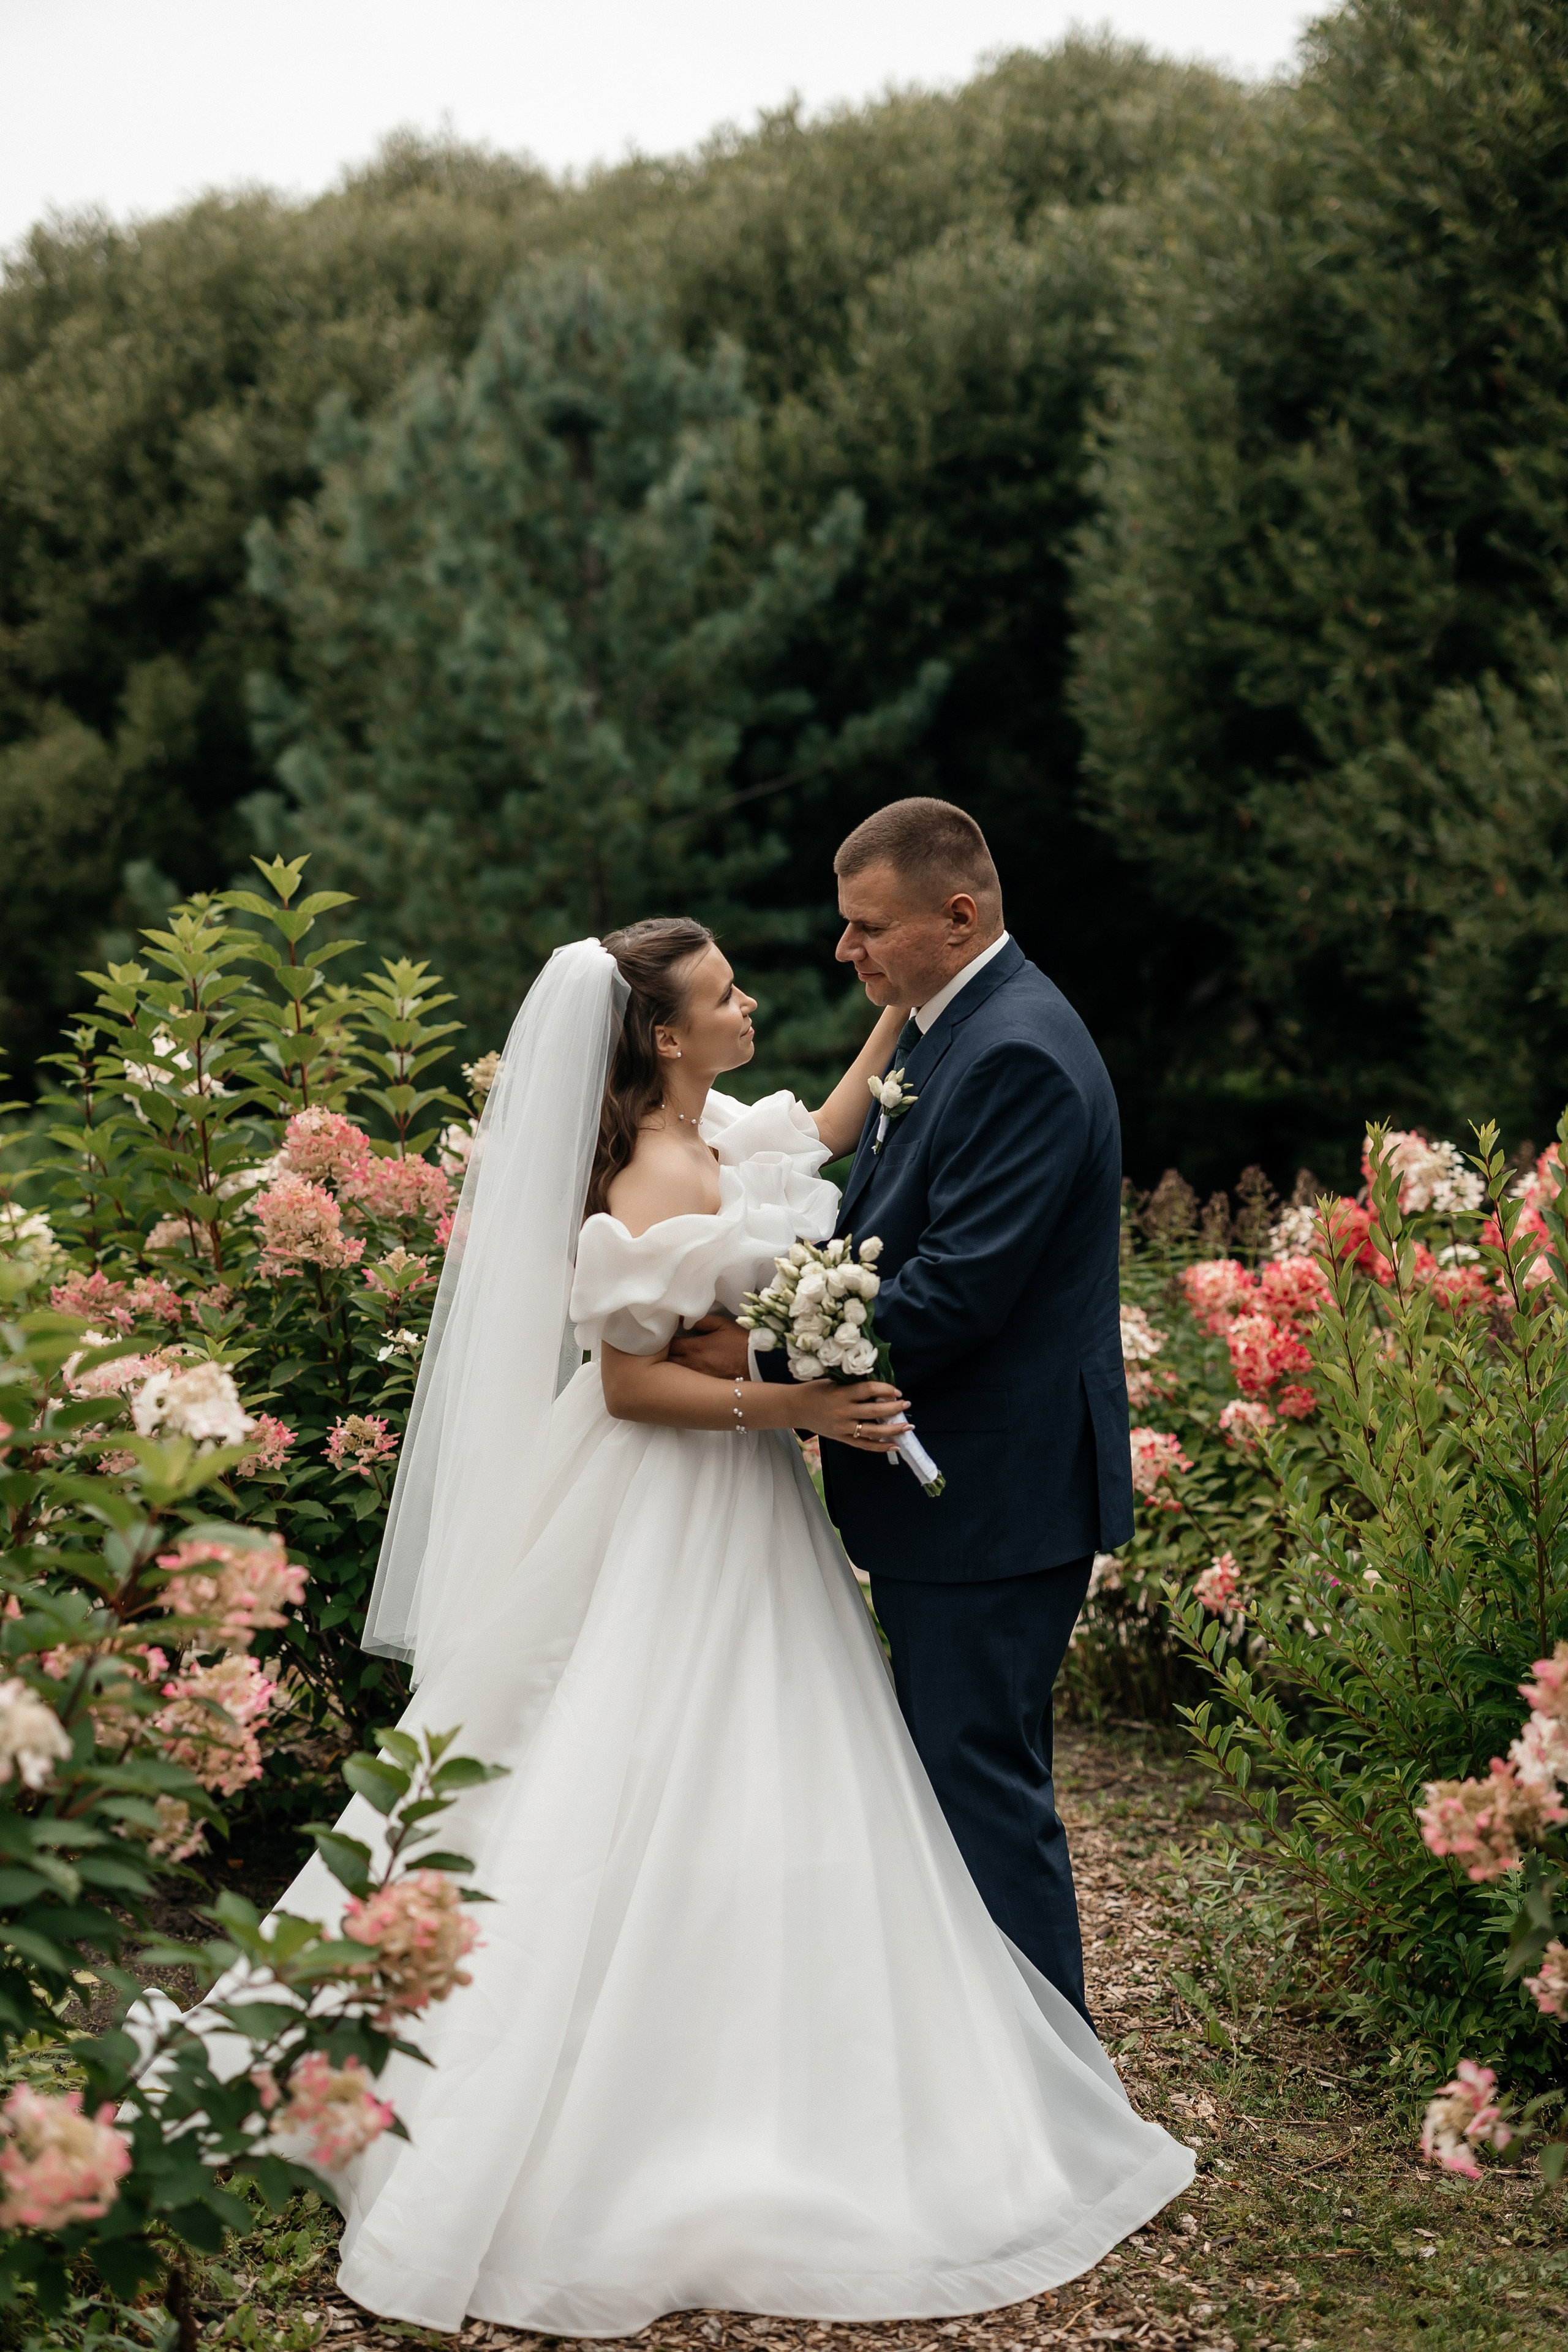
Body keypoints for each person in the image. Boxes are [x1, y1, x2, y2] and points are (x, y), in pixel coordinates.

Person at [244, 922, 1191, 2335]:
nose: (754, 1000)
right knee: (640, 1753)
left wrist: (897, 1035)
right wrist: (796, 1403)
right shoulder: (652, 1169)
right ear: (666, 1041)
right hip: (672, 1493)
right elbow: (630, 1389)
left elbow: (800, 1143)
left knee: (758, 1751)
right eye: (723, 996)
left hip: (741, 1505)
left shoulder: (715, 1135)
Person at [674, 799, 1130, 2025]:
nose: (845, 953)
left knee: (976, 1780)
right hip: (962, 1485)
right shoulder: (946, 1030)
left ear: (957, 915)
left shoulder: (1016, 1052)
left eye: (866, 929)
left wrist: (751, 1354)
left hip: (995, 1489)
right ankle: (992, 2073)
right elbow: (868, 1231)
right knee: (950, 1773)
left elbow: (952, 1293)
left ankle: (1051, 2088)